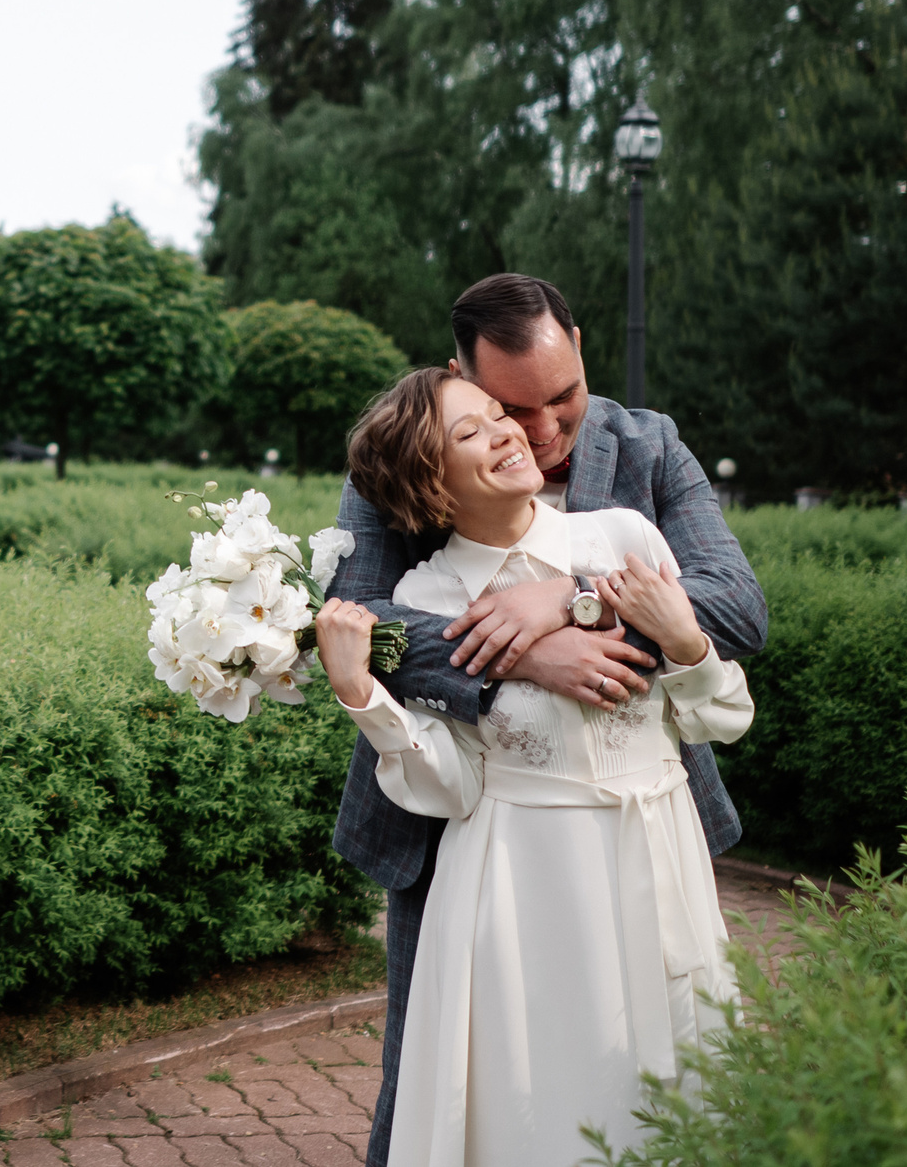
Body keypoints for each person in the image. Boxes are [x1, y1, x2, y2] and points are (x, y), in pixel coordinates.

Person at [320, 274, 767, 1166]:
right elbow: (358, 614)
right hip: (477, 828)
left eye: (564, 397)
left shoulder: (649, 451)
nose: (545, 430)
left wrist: (573, 600)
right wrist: (519, 649)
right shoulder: (409, 448)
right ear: (467, 377)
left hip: (645, 812)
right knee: (445, 1077)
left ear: (579, 343)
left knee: (674, 1063)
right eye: (509, 409)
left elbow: (734, 607)